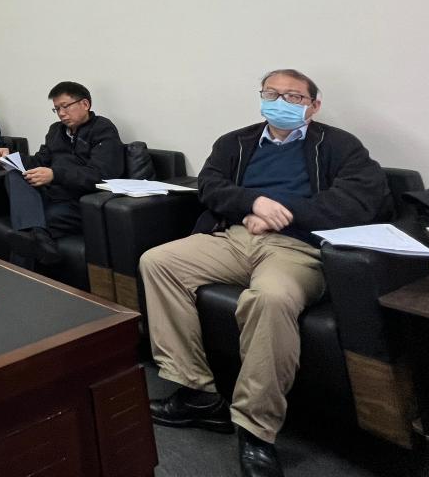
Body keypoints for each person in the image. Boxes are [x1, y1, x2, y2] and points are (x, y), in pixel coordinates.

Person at [140, 69, 391, 477]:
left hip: (297, 247)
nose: (281, 102)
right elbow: (210, 185)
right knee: (158, 262)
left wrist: (282, 213)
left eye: (294, 97)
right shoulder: (235, 142)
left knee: (270, 299)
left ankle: (256, 428)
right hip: (234, 236)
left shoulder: (340, 145)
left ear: (314, 105)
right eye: (271, 94)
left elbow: (358, 201)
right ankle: (197, 392)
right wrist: (251, 204)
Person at [0, 81, 123, 267]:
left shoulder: (103, 129)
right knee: (13, 175)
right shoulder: (56, 130)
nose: (61, 113)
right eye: (57, 109)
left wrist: (55, 175)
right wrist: (11, 158)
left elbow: (101, 174)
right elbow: (39, 161)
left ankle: (33, 240)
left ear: (85, 104)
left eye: (65, 106)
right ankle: (39, 236)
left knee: (29, 228)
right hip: (51, 194)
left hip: (78, 200)